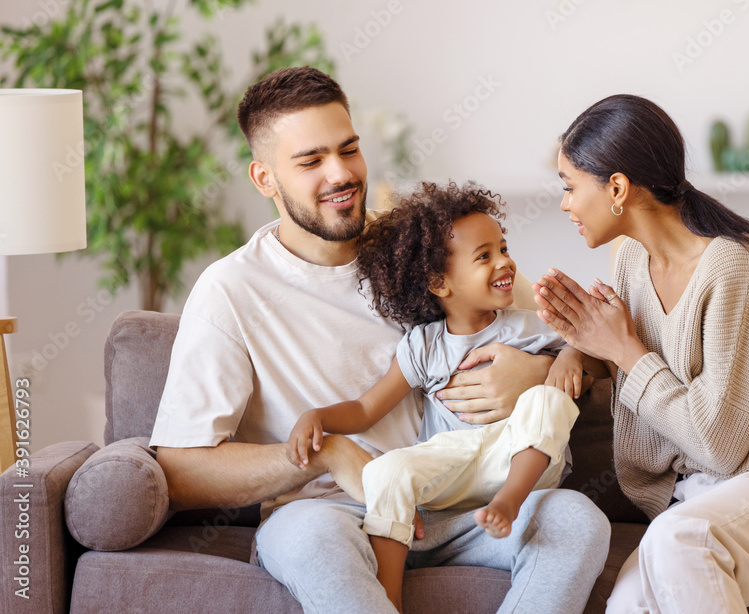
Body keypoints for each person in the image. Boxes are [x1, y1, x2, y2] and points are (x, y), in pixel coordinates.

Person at [148, 66, 610, 614]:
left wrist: (538, 373)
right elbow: (178, 470)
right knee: (305, 538)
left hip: (455, 501)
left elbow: (587, 342)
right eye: (311, 160)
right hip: (331, 516)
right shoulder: (230, 291)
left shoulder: (424, 248)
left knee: (575, 520)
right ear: (264, 178)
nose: (341, 173)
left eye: (349, 149)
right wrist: (325, 457)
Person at [532, 94, 749, 613]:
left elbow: (719, 442)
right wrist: (575, 352)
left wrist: (624, 351)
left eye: (569, 187)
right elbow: (637, 348)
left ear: (618, 188)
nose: (564, 204)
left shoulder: (732, 267)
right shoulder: (631, 260)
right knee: (625, 605)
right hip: (703, 501)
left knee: (679, 541)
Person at [285, 181, 609, 610]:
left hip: (515, 462)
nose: (505, 262)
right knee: (388, 470)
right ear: (439, 282)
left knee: (547, 401)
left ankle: (508, 503)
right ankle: (390, 598)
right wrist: (319, 417)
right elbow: (367, 409)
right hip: (452, 464)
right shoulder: (424, 346)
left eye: (504, 248)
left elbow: (594, 351)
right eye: (484, 256)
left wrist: (569, 356)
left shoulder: (525, 325)